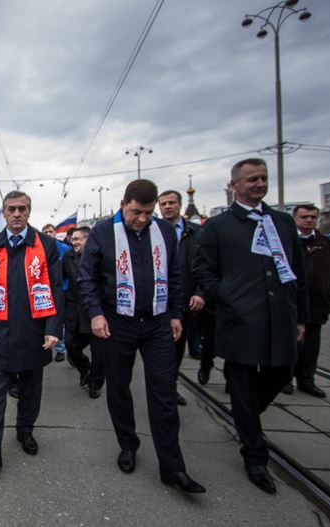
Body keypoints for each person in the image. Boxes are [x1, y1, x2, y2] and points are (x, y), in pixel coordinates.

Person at [78, 179, 205, 494]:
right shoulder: (103, 233)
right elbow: (87, 278)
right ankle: (128, 444)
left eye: (148, 212)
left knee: (164, 392)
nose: (142, 219)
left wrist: (176, 313)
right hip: (117, 322)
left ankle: (173, 467)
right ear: (124, 204)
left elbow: (175, 275)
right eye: (136, 212)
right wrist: (95, 312)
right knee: (119, 387)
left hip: (158, 322)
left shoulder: (164, 232)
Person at [193, 158, 308, 494]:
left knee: (282, 373)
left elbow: (297, 272)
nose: (259, 184)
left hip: (280, 316)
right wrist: (226, 295)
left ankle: (247, 417)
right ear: (234, 185)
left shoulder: (282, 222)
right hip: (240, 319)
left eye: (263, 178)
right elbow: (203, 270)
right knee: (241, 385)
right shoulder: (218, 226)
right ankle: (255, 455)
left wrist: (300, 315)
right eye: (252, 179)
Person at [0, 191, 63, 470]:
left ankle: (25, 430)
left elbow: (55, 288)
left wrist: (53, 328)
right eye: (11, 209)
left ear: (29, 212)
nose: (17, 214)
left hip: (34, 329)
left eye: (22, 208)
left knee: (31, 388)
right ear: (4, 213)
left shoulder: (46, 244)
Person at [158, 190, 205, 406]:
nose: (167, 207)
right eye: (163, 204)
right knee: (161, 350)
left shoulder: (197, 232)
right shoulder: (152, 230)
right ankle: (163, 389)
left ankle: (170, 387)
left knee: (177, 346)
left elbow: (206, 265)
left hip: (185, 300)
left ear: (180, 204)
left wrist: (200, 292)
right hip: (158, 301)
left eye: (171, 203)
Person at [287, 204, 330, 398]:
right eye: (304, 217)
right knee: (289, 341)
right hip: (291, 302)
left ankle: (306, 379)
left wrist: (329, 295)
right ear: (295, 219)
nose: (309, 220)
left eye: (313, 217)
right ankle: (285, 378)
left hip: (317, 302)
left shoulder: (327, 244)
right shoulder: (286, 241)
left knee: (311, 344)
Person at [61, 227, 103, 398]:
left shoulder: (100, 255)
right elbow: (59, 276)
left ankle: (95, 383)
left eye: (78, 239)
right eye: (72, 239)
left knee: (99, 353)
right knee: (71, 344)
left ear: (88, 239)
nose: (74, 242)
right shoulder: (68, 256)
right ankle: (85, 369)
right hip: (74, 310)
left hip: (96, 311)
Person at [42, 223, 70, 362]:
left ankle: (62, 349)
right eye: (45, 232)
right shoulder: (40, 248)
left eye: (50, 231)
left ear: (55, 233)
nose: (48, 234)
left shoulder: (64, 249)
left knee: (62, 320)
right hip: (44, 291)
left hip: (63, 289)